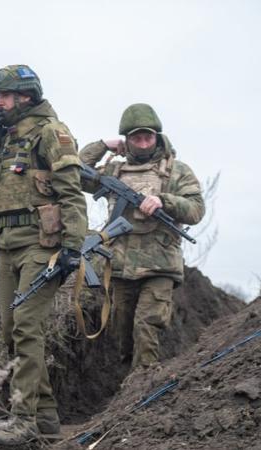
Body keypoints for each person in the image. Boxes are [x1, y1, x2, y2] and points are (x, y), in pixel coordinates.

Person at [0, 65, 87, 446]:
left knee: (24, 326)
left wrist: (73, 245)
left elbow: (71, 193)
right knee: (11, 332)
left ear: (26, 97)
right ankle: (48, 418)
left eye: (4, 96)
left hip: (42, 245)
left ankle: (23, 420)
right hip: (6, 246)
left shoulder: (52, 132)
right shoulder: (4, 138)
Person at [79, 103, 205, 369]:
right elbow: (74, 172)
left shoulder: (177, 171)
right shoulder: (114, 171)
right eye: (137, 138)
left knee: (146, 326)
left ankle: (145, 382)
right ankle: (129, 389)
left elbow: (195, 211)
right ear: (127, 141)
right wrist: (102, 145)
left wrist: (164, 201)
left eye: (149, 137)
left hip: (160, 264)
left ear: (157, 137)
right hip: (121, 265)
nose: (144, 143)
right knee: (122, 333)